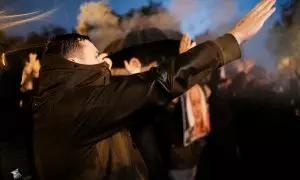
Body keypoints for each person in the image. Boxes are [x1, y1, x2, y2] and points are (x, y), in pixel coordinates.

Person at [32, 1, 276, 179]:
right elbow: (158, 84)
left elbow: (146, 96)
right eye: (96, 55)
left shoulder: (67, 100)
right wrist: (235, 38)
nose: (104, 60)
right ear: (74, 64)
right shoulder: (77, 106)